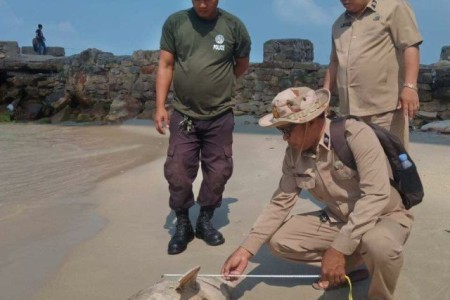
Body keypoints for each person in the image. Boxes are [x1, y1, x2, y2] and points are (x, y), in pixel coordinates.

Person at [221, 87, 414, 300]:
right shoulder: (293, 155)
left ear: (311, 122)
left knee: (379, 246)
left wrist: (338, 249)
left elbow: (376, 196)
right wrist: (246, 250)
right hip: (340, 218)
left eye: (287, 130)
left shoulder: (356, 135)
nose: (285, 138)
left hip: (382, 217)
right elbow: (280, 202)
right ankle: (354, 262)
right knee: (279, 240)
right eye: (281, 131)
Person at [154, 0, 251, 255]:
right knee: (177, 170)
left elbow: (241, 64)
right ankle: (183, 222)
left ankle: (205, 219)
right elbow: (166, 65)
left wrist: (221, 84)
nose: (203, 3)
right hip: (184, 114)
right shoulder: (176, 23)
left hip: (220, 115)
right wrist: (160, 106)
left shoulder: (234, 26)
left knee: (219, 170)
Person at [323, 0, 423, 148]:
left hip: (385, 109)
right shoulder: (338, 25)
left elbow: (410, 45)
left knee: (392, 161)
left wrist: (410, 86)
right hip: (350, 112)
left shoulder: (393, 7)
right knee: (356, 164)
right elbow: (335, 62)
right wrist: (324, 96)